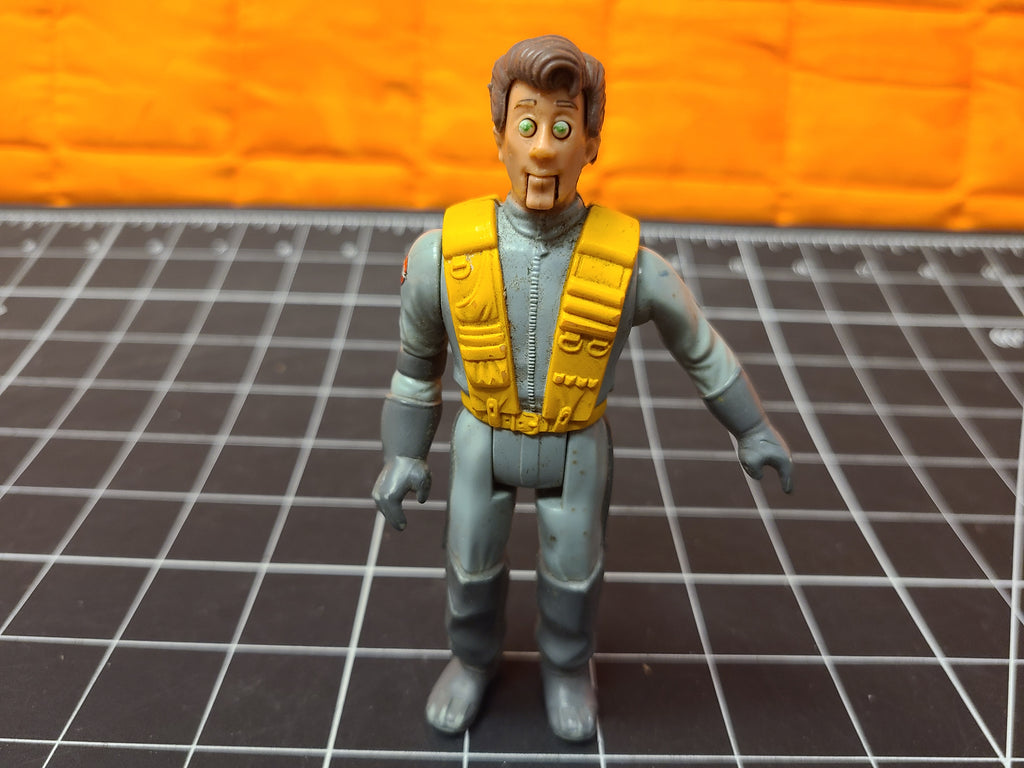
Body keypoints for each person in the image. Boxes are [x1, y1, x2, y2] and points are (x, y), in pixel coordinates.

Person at [372, 34, 793, 742]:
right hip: (482, 437)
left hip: (577, 445)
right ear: (499, 136)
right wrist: (404, 455)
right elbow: (417, 367)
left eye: (563, 129)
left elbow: (701, 349)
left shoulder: (632, 265)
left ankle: (567, 666)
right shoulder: (441, 254)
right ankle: (472, 658)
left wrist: (751, 428)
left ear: (592, 144)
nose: (543, 149)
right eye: (527, 125)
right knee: (469, 562)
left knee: (574, 567)